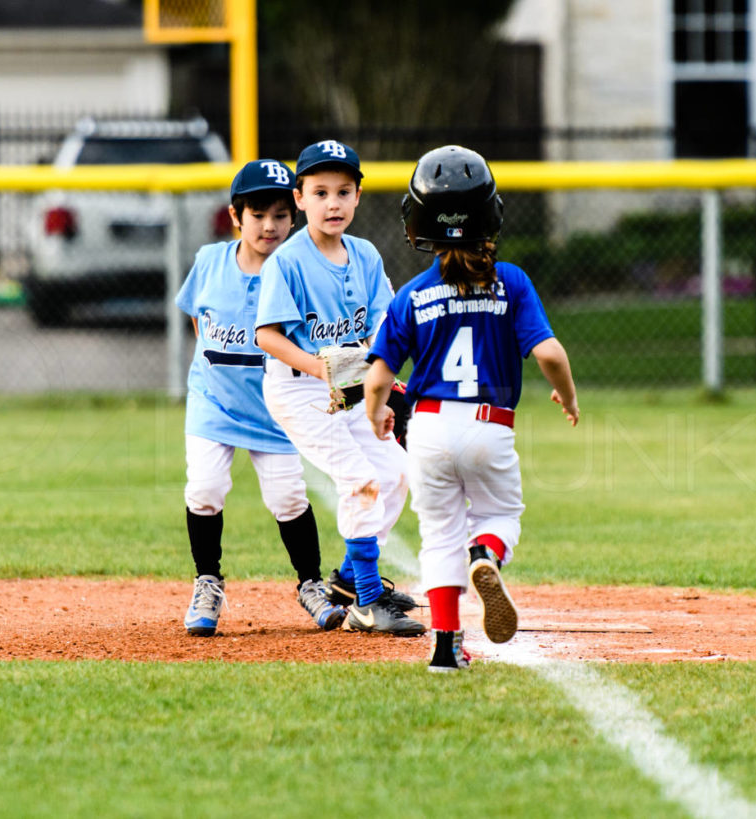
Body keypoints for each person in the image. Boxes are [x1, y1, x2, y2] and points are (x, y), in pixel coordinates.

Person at [363, 145, 580, 671]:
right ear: (491, 216)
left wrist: (376, 415)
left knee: (438, 535)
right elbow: (549, 352)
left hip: (429, 429)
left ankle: (444, 648)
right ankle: (485, 553)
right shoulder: (512, 281)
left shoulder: (412, 294)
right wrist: (568, 396)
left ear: (417, 222)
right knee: (500, 515)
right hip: (490, 425)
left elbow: (377, 379)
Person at [254, 139, 425, 637]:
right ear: (300, 199)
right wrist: (320, 369)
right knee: (357, 479)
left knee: (394, 473)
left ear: (357, 197)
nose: (333, 203)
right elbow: (266, 336)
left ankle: (350, 581)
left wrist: (383, 385)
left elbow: (380, 326)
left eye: (344, 191)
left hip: (351, 385)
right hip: (298, 391)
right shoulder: (287, 262)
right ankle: (368, 604)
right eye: (320, 192)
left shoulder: (366, 255)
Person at [176, 158, 347, 637]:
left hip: (275, 408)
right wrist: (212, 374)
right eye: (257, 214)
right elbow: (198, 318)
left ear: (294, 215)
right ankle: (207, 581)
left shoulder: (299, 271)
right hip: (214, 401)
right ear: (236, 216)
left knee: (288, 497)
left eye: (279, 215)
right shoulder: (210, 261)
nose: (269, 226)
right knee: (205, 489)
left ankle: (310, 585)